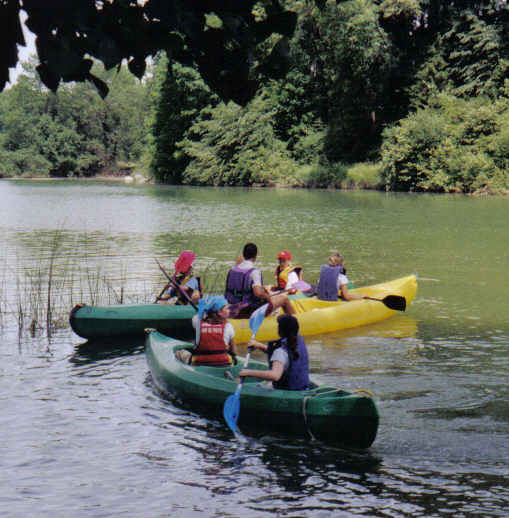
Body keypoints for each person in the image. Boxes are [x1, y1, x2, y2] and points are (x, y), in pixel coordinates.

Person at [238, 314, 310, 390]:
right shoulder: (298, 340)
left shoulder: (280, 352)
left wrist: (248, 372)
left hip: (287, 391)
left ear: (280, 330)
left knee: (256, 384)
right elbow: (283, 358)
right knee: (267, 383)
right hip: (302, 387)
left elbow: (274, 375)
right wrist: (259, 345)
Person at [225, 242, 296, 318]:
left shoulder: (232, 270)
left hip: (233, 308)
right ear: (256, 255)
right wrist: (268, 297)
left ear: (243, 254)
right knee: (284, 299)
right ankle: (296, 321)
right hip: (248, 311)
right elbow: (258, 293)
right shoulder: (254, 272)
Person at [177, 296, 237, 366]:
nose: (229, 311)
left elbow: (199, 315)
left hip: (199, 362)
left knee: (179, 353)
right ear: (219, 312)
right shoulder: (229, 326)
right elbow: (233, 351)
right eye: (227, 309)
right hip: (223, 363)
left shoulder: (197, 322)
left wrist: (204, 311)